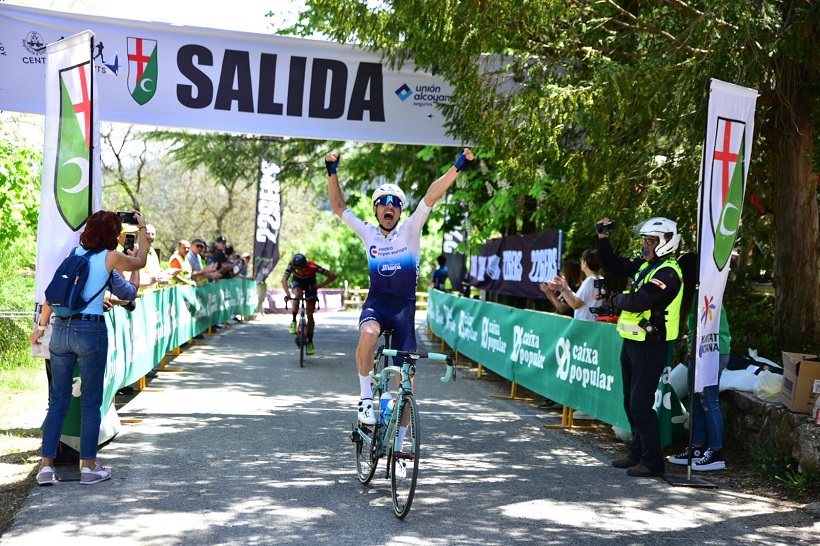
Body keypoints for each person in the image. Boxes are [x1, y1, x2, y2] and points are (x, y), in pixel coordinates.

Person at [326, 147, 474, 426]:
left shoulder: (410, 229)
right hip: (378, 305)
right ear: (376, 209)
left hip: (404, 311)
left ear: (400, 209)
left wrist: (458, 165)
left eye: (395, 202)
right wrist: (331, 172)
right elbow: (339, 208)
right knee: (369, 334)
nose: (389, 205)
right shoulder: (367, 232)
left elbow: (431, 195)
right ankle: (366, 398)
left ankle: (402, 449)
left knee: (406, 386)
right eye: (383, 201)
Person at [30, 210, 150, 486]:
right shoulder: (112, 257)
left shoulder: (74, 254)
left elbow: (52, 293)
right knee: (90, 403)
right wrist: (142, 229)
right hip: (90, 331)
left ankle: (46, 468)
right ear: (112, 234)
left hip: (60, 329)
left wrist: (39, 328)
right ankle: (89, 467)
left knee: (57, 402)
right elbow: (139, 263)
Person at [596, 216, 683, 478]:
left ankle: (653, 461)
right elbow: (613, 265)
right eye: (644, 239)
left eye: (651, 240)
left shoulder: (667, 273)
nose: (645, 244)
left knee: (640, 405)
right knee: (629, 402)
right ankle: (637, 452)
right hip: (633, 342)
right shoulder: (648, 266)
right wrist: (602, 237)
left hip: (651, 344)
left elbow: (638, 301)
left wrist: (614, 299)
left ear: (666, 242)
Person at [668, 252, 730, 471]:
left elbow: (707, 327)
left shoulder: (704, 292)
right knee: (696, 399)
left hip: (712, 352)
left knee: (708, 400)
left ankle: (715, 452)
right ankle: (697, 448)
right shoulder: (694, 292)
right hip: (700, 353)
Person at [281, 253, 337, 355]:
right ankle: (293, 321)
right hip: (297, 284)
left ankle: (310, 341)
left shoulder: (312, 266)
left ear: (305, 266)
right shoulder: (291, 265)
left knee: (310, 315)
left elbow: (333, 275)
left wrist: (319, 286)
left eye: (300, 269)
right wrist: (288, 294)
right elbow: (284, 280)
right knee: (297, 294)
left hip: (310, 286)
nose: (298, 271)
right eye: (296, 269)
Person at [545, 249, 602, 321]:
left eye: (582, 259)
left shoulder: (590, 281)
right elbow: (579, 299)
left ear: (585, 263)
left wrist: (562, 289)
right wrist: (565, 287)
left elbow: (575, 304)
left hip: (585, 324)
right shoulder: (599, 279)